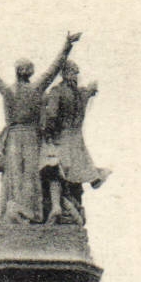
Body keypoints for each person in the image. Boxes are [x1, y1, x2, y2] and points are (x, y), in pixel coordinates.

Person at [0, 32, 80, 223]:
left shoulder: (9, 91)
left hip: (15, 137)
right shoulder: (36, 88)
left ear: (18, 72)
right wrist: (67, 45)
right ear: (29, 72)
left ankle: (19, 212)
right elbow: (53, 69)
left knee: (16, 176)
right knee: (29, 175)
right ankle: (30, 213)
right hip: (30, 137)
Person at [40, 61, 110, 224]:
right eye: (75, 73)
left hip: (62, 138)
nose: (75, 76)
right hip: (77, 140)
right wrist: (92, 89)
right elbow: (89, 92)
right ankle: (76, 203)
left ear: (63, 74)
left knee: (55, 171)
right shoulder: (80, 93)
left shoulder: (57, 92)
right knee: (74, 176)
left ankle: (59, 207)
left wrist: (47, 133)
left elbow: (51, 116)